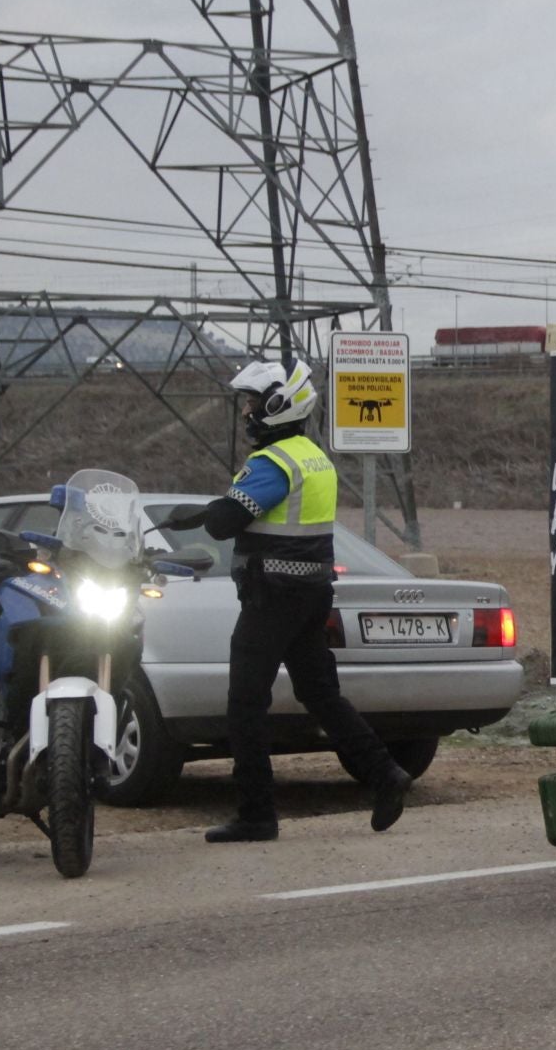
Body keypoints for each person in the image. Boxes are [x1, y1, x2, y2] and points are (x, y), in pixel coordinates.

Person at [163, 354, 411, 843]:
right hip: (310, 593)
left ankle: (256, 813)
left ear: (279, 405)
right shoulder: (312, 457)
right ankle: (385, 775)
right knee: (319, 695)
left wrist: (208, 512)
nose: (246, 412)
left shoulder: (272, 462)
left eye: (253, 402)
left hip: (271, 596)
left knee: (245, 703)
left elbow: (225, 522)